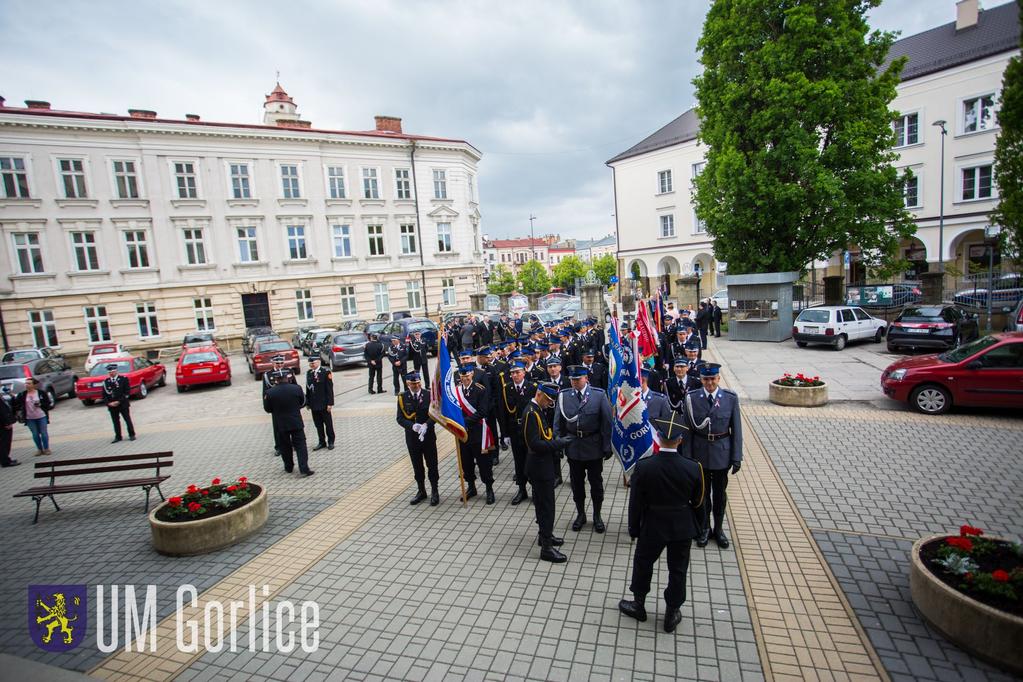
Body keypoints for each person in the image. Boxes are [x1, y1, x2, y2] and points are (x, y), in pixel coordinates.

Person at [619, 413, 704, 633]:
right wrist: (699, 527)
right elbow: (699, 502)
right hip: (681, 526)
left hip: (653, 524)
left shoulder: (645, 466)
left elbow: (636, 502)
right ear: (680, 440)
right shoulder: (693, 468)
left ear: (657, 437)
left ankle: (638, 604)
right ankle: (671, 612)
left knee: (643, 563)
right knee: (678, 569)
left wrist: (633, 527)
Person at [687, 363, 742, 549]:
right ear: (701, 380)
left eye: (713, 379)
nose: (709, 382)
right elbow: (688, 431)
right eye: (706, 379)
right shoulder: (692, 398)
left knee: (719, 495)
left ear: (719, 378)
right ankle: (704, 528)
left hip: (721, 454)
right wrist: (687, 457)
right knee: (702, 496)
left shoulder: (730, 398)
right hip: (700, 453)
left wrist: (736, 456)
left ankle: (718, 529)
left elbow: (737, 430)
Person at [555, 365, 613, 533]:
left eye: (577, 379)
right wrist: (558, 443)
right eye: (572, 379)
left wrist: (607, 446)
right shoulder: (564, 396)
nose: (574, 382)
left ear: (586, 378)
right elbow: (558, 422)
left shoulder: (598, 395)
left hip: (593, 446)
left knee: (596, 484)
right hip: (574, 447)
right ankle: (581, 514)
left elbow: (607, 422)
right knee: (577, 484)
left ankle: (597, 515)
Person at [524, 382, 574, 563]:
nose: (549, 403)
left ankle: (545, 535)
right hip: (539, 467)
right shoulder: (531, 413)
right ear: (539, 395)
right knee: (546, 507)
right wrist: (559, 444)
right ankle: (546, 547)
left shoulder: (536, 410)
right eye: (548, 399)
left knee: (543, 504)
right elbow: (534, 444)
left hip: (542, 465)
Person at [396, 371, 439, 506]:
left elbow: (436, 414)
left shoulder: (428, 394)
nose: (417, 385)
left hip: (428, 437)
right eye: (414, 383)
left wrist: (427, 425)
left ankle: (435, 491)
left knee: (432, 464)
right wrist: (412, 426)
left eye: (418, 383)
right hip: (412, 438)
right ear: (408, 383)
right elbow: (399, 418)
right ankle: (421, 491)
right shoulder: (403, 397)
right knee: (417, 466)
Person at [457, 363, 495, 503]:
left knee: (483, 463)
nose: (465, 378)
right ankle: (471, 487)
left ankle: (489, 488)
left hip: (478, 433)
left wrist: (464, 422)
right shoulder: (456, 391)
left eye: (467, 375)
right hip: (462, 435)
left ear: (472, 374)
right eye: (462, 376)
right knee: (466, 463)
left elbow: (483, 411)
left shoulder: (480, 390)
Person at [499, 362, 536, 505]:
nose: (515, 375)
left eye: (518, 372)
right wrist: (505, 434)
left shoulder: (532, 388)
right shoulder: (506, 388)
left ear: (524, 372)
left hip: (529, 429)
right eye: (513, 373)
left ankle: (534, 489)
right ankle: (522, 489)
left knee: (531, 459)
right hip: (514, 429)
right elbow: (502, 412)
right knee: (518, 461)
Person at [263, 372, 314, 476]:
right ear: (287, 378)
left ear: (276, 380)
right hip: (295, 421)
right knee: (300, 445)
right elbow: (303, 402)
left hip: (280, 423)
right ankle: (304, 469)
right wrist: (295, 407)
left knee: (285, 446)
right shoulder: (296, 388)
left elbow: (267, 409)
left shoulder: (270, 392)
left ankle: (289, 467)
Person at [14, 378, 54, 456]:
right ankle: (39, 449)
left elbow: (48, 403)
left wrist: (41, 404)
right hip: (29, 418)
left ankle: (46, 448)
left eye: (29, 383)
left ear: (34, 385)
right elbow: (16, 403)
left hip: (41, 416)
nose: (27, 385)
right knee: (35, 434)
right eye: (26, 383)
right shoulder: (22, 394)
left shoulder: (41, 393)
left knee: (43, 433)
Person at [305, 356, 335, 451]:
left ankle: (331, 441)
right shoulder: (309, 373)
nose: (311, 365)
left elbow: (329, 389)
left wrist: (330, 403)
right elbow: (308, 389)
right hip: (314, 404)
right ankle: (321, 441)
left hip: (324, 403)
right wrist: (308, 403)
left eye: (313, 363)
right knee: (318, 424)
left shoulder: (325, 372)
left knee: (328, 424)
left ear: (318, 362)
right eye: (310, 363)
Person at [103, 363, 135, 443]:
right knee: (115, 422)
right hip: (112, 405)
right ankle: (118, 436)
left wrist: (118, 401)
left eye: (113, 371)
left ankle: (131, 434)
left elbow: (127, 392)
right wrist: (108, 403)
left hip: (122, 404)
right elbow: (104, 395)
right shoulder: (106, 381)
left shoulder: (123, 379)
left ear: (116, 371)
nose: (111, 373)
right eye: (109, 372)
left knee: (127, 419)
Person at [0, 385, 19, 468]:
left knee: (5, 443)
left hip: (4, 422)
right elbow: (1, 412)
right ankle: (5, 461)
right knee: (4, 443)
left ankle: (5, 459)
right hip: (3, 424)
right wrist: (7, 423)